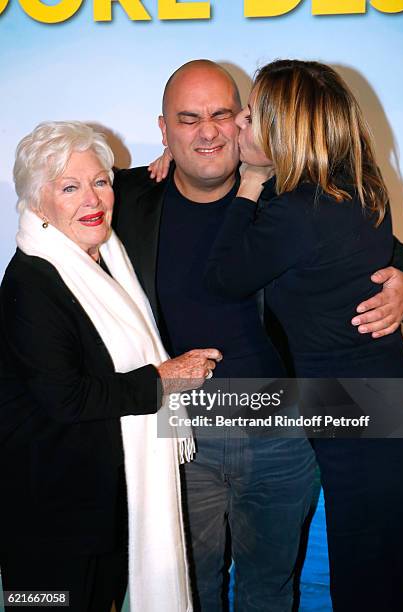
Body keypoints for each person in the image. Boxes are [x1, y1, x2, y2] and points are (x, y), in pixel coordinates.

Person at [113, 60, 403, 611]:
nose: (208, 131)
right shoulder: (126, 199)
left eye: (224, 115)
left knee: (275, 591)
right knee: (187, 591)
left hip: (284, 429)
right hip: (181, 435)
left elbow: (376, 248)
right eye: (188, 119)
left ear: (248, 122)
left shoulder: (289, 193)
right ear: (163, 129)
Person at [205, 59, 403, 611]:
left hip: (351, 404)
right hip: (378, 394)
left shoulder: (295, 213)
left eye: (251, 116)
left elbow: (224, 277)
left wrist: (247, 183)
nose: (240, 125)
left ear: (282, 129)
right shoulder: (356, 189)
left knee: (367, 566)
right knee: (382, 559)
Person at [0, 121, 221, 612]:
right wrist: (163, 380)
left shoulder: (104, 260)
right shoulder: (31, 283)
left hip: (104, 508)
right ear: (37, 202)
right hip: (48, 523)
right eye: (70, 187)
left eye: (101, 181)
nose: (92, 199)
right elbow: (67, 398)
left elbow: (176, 176)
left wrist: (175, 155)